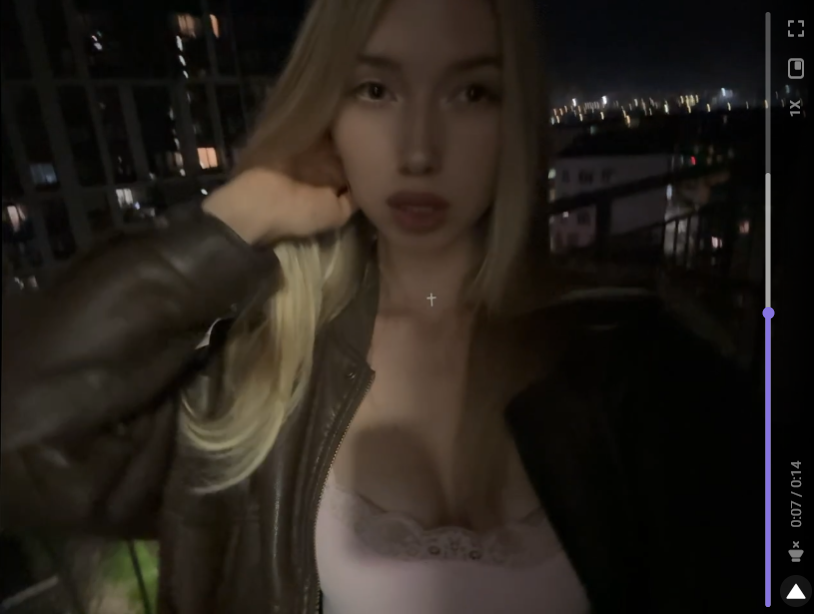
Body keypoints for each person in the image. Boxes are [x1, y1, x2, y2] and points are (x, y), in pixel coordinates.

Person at [1, 0, 759, 612]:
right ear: (326, 111)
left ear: (515, 118)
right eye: (375, 90)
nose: (419, 149)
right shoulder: (262, 370)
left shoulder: (639, 361)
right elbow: (18, 432)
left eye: (471, 92)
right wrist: (233, 222)